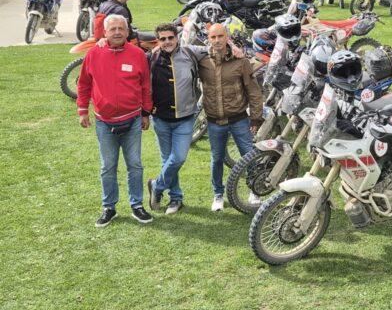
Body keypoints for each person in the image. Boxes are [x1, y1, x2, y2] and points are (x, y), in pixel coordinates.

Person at [76, 14, 153, 227]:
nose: (117, 32)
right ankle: (109, 207)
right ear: (105, 32)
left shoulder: (138, 54)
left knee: (135, 165)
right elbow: (83, 84)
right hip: (104, 122)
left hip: (132, 120)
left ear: (128, 32)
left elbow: (145, 86)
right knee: (108, 167)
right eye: (113, 29)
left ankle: (137, 205)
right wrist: (82, 110)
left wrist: (146, 113)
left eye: (121, 28)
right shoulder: (94, 54)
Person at [198, 23, 263, 211]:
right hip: (214, 121)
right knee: (217, 158)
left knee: (249, 156)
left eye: (220, 36)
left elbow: (253, 90)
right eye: (213, 37)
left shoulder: (240, 61)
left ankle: (254, 191)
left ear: (227, 37)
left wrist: (256, 117)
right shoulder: (202, 60)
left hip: (239, 120)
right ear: (208, 39)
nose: (217, 40)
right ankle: (218, 194)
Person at [146, 23, 209, 215]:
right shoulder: (151, 58)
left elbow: (215, 47)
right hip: (160, 119)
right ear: (158, 40)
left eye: (170, 38)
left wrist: (234, 48)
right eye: (163, 39)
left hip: (185, 118)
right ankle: (176, 199)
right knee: (167, 160)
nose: (167, 42)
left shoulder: (191, 52)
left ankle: (156, 186)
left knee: (178, 158)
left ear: (177, 37)